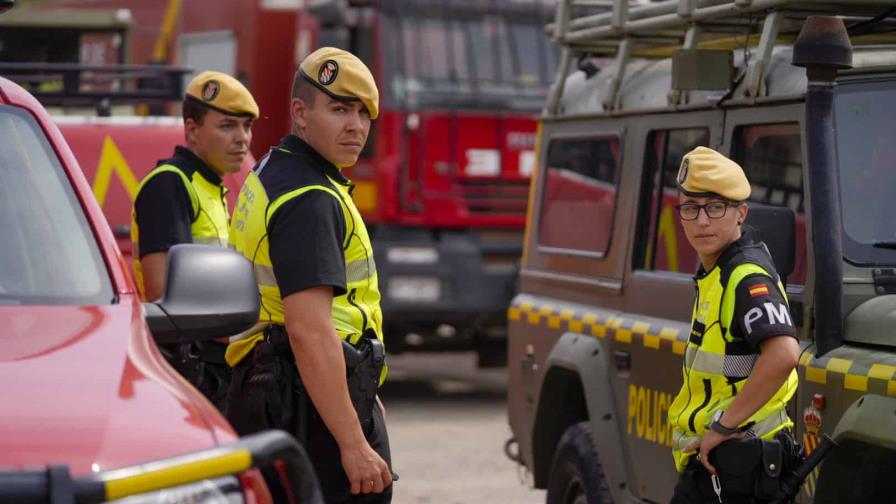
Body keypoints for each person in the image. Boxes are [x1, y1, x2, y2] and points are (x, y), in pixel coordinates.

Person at [226, 47, 392, 503]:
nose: (355, 126)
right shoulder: (309, 197)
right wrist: (353, 441)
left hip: (282, 393)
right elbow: (309, 331)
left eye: (363, 113)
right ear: (300, 113)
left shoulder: (274, 170)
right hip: (303, 406)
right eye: (339, 110)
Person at [667, 147, 801, 503]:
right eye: (690, 208)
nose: (702, 221)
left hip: (741, 460)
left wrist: (724, 425)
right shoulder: (717, 270)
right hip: (725, 463)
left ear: (741, 213)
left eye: (715, 207)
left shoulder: (744, 275)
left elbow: (785, 353)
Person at [130, 71, 258, 411]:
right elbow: (163, 295)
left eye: (247, 127)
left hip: (212, 366)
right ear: (192, 130)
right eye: (228, 126)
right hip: (184, 369)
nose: (242, 139)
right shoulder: (170, 184)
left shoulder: (214, 188)